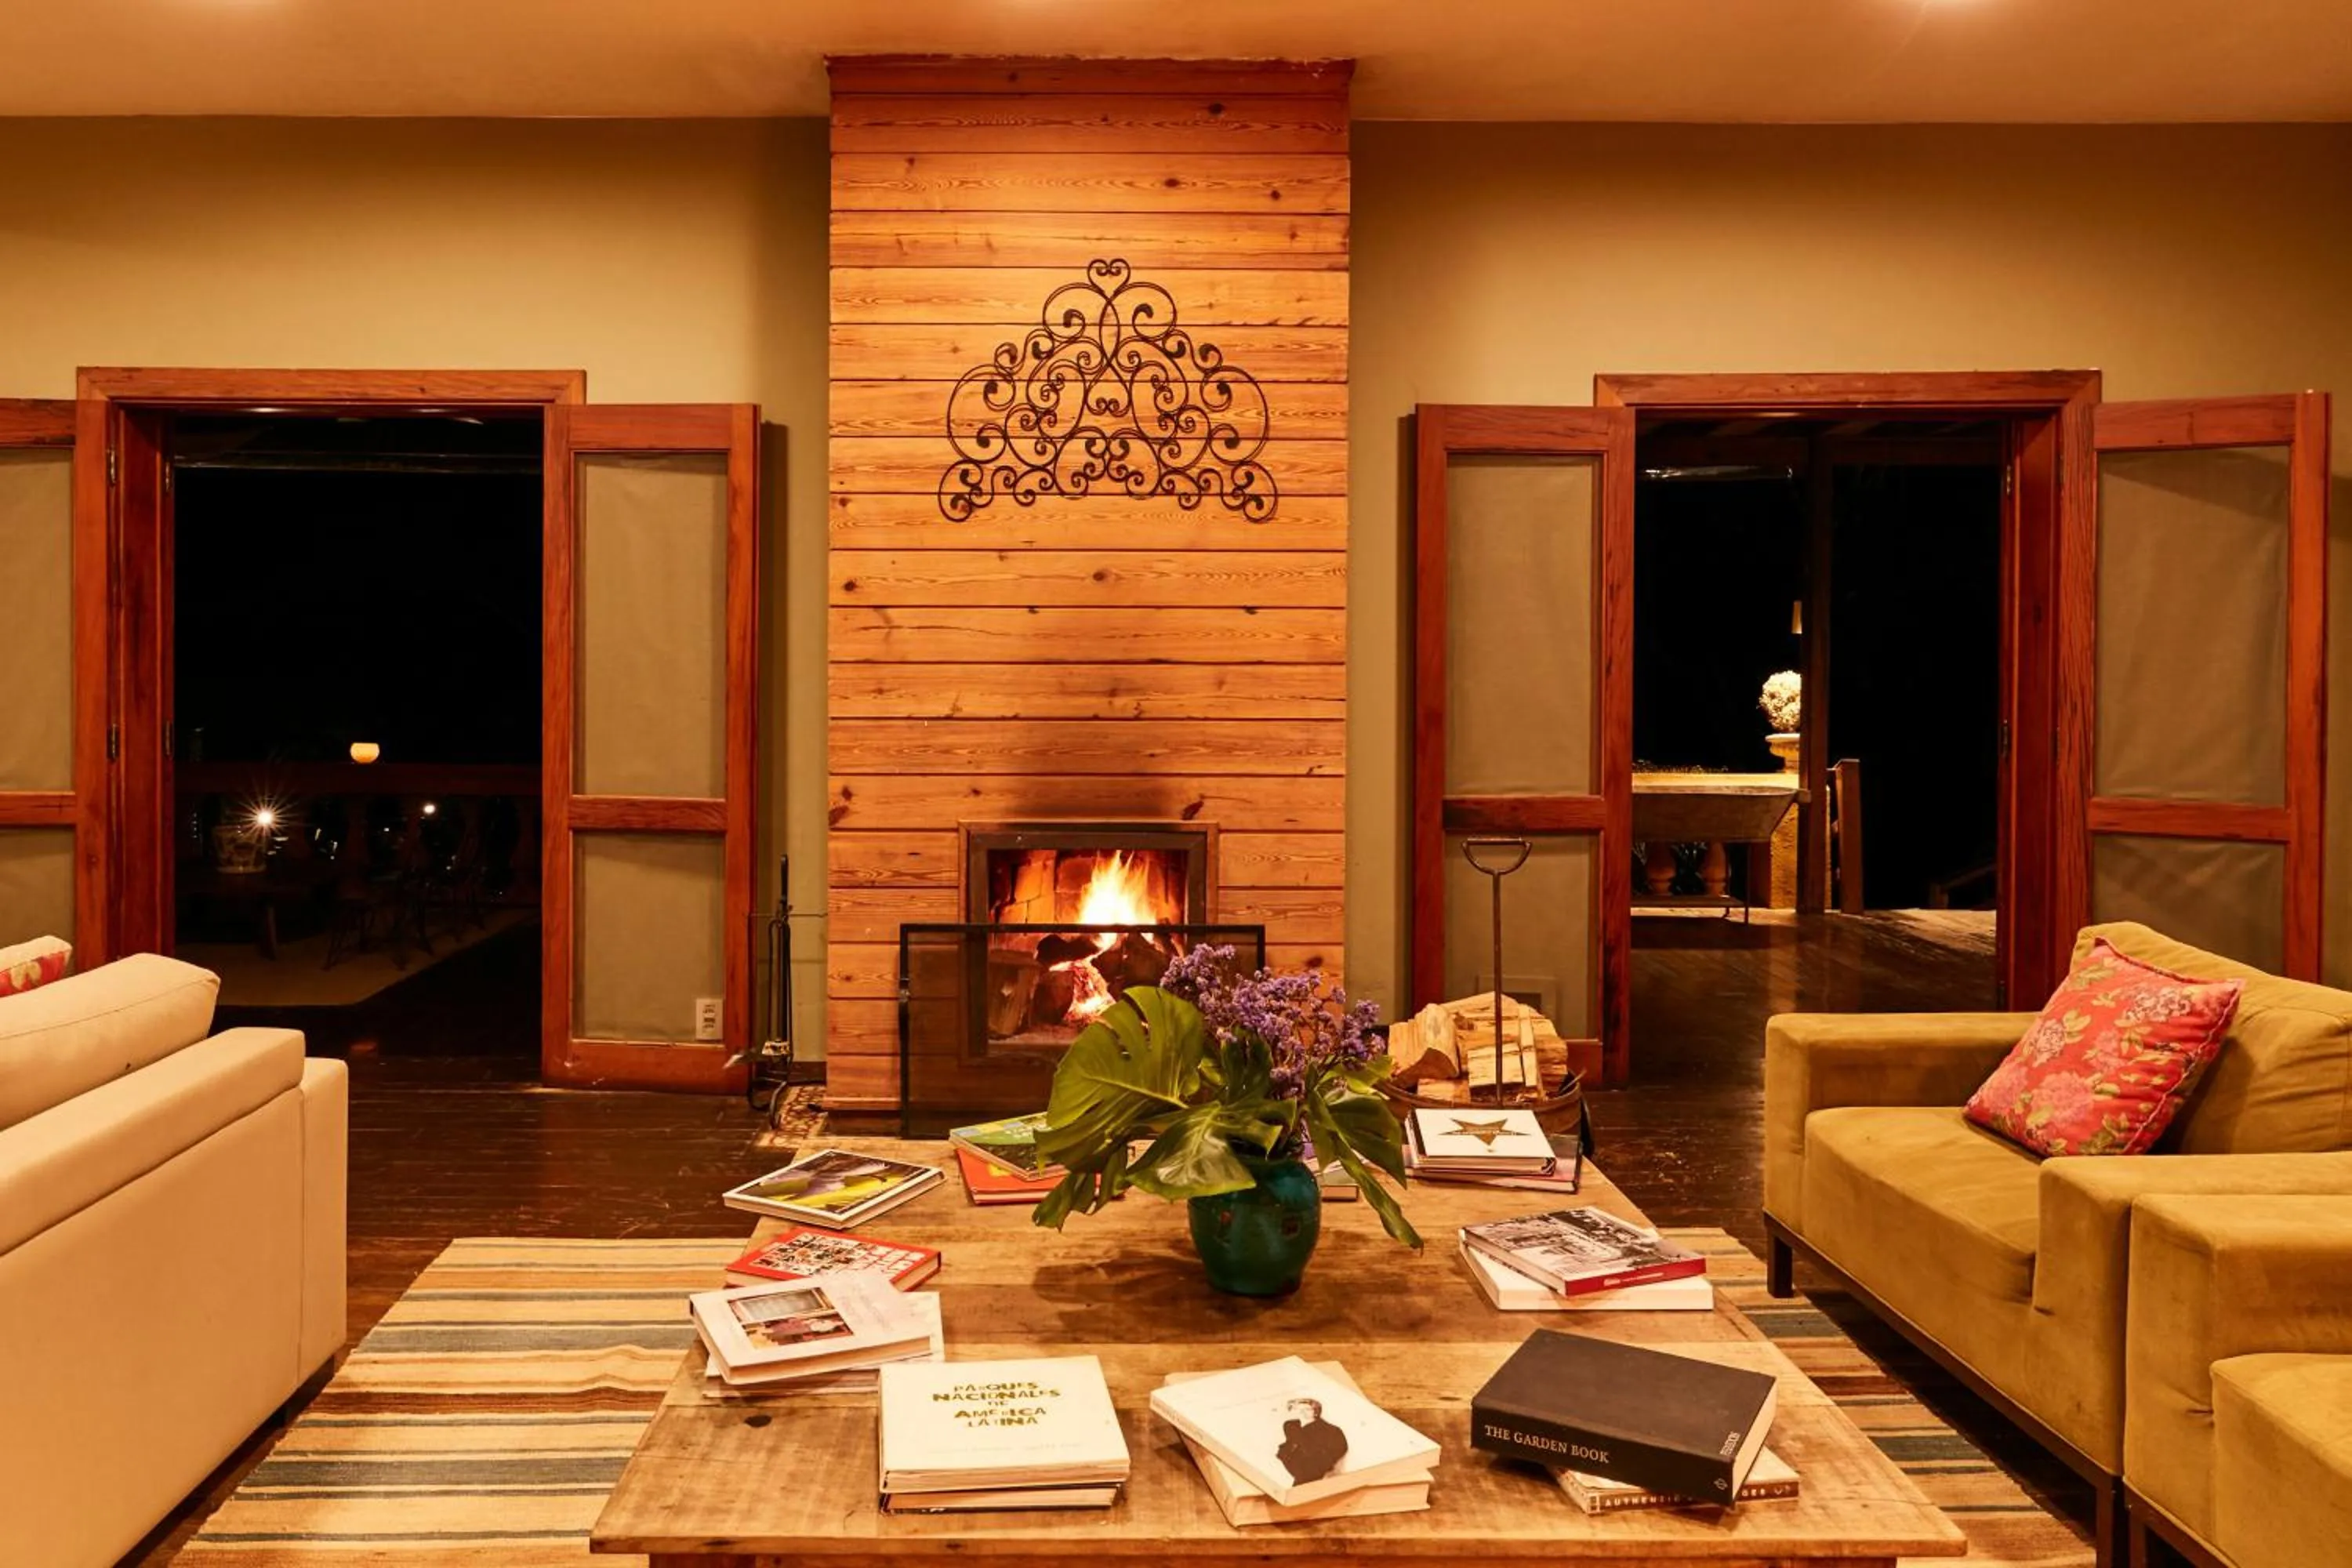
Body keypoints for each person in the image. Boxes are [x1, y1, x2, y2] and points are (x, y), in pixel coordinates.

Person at [1276, 1396, 1348, 1484]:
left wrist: (1325, 1461)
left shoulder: (1328, 1429)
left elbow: (1340, 1447)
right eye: (1299, 1409)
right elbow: (1292, 1442)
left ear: (1316, 1412)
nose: (1302, 1412)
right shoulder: (1291, 1426)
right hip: (1294, 1463)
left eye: (1307, 1409)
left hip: (1314, 1467)